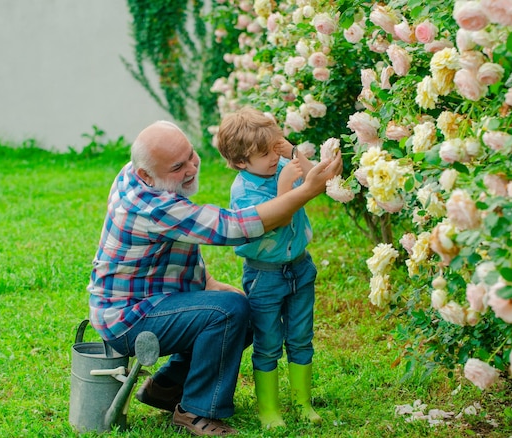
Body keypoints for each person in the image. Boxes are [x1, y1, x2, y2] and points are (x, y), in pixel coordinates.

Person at [87, 120, 341, 436]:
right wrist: (305, 191)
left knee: (246, 312)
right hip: (128, 319)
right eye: (178, 166)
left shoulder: (141, 173)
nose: (192, 168)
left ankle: (165, 388)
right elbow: (231, 227)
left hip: (152, 300)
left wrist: (206, 282)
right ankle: (196, 410)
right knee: (227, 310)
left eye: (191, 155)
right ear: (146, 175)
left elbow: (170, 247)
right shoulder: (150, 204)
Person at [216, 107, 325, 429]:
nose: (273, 159)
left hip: (300, 268)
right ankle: (269, 409)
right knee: (267, 343)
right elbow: (275, 218)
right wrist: (285, 187)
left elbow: (317, 179)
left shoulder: (280, 164)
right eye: (264, 153)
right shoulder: (244, 191)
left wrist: (292, 152)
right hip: (265, 275)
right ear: (240, 161)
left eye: (274, 148)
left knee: (302, 337)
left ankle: (303, 403)